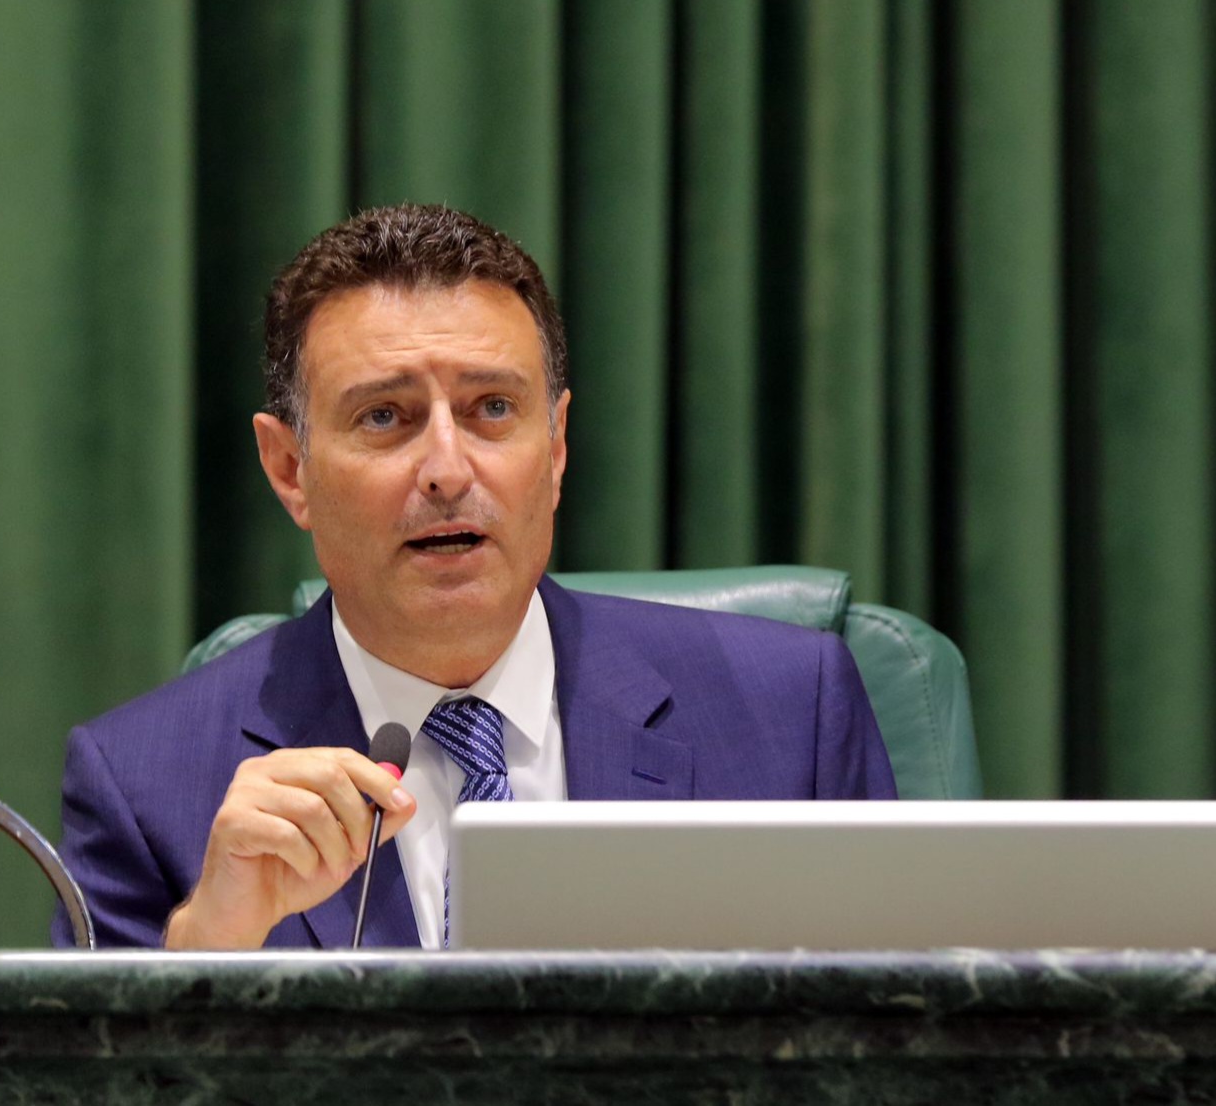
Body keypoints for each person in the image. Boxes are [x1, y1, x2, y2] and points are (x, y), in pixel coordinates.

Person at [51, 203, 896, 950]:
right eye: (385, 416)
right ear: (289, 469)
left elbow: (901, 1039)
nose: (448, 470)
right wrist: (207, 953)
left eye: (493, 408)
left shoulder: (790, 717)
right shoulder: (142, 785)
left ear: (555, 447)